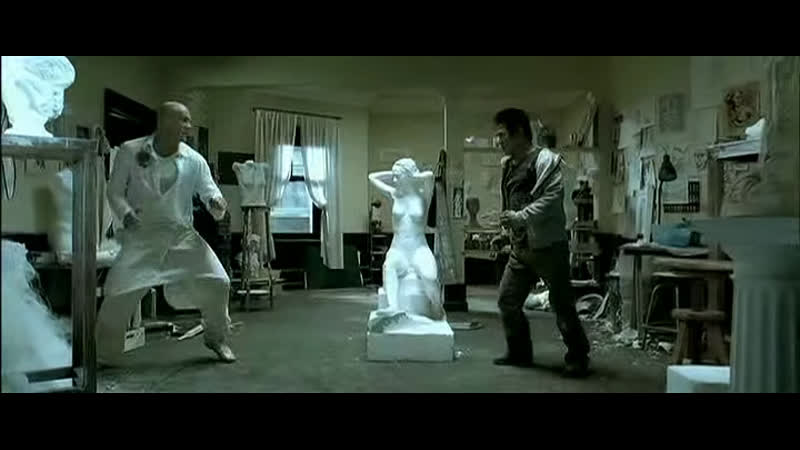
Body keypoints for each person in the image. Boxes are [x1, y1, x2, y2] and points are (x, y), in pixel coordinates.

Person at [99, 101, 236, 365]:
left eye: (189, 120)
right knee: (117, 292)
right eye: (183, 119)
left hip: (182, 236)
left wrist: (216, 203)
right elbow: (114, 192)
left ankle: (216, 338)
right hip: (143, 237)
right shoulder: (130, 151)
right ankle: (104, 355)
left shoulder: (194, 160)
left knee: (219, 282)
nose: (188, 126)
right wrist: (126, 214)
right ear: (163, 122)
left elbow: (209, 191)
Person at [491, 108, 590, 377]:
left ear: (519, 132)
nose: (498, 141)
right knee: (507, 300)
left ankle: (578, 357)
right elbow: (511, 202)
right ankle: (519, 352)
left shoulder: (546, 160)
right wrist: (506, 232)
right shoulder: (508, 166)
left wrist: (520, 217)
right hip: (520, 249)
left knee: (562, 305)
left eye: (502, 135)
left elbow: (551, 199)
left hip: (549, 247)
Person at [368, 158, 443, 321]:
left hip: (418, 248)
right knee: (389, 267)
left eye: (397, 176)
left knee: (430, 278)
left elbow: (429, 176)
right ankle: (393, 307)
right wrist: (395, 172)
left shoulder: (424, 195)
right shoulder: (395, 194)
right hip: (399, 248)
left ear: (409, 176)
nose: (394, 180)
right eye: (393, 176)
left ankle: (437, 307)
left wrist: (411, 175)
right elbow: (372, 177)